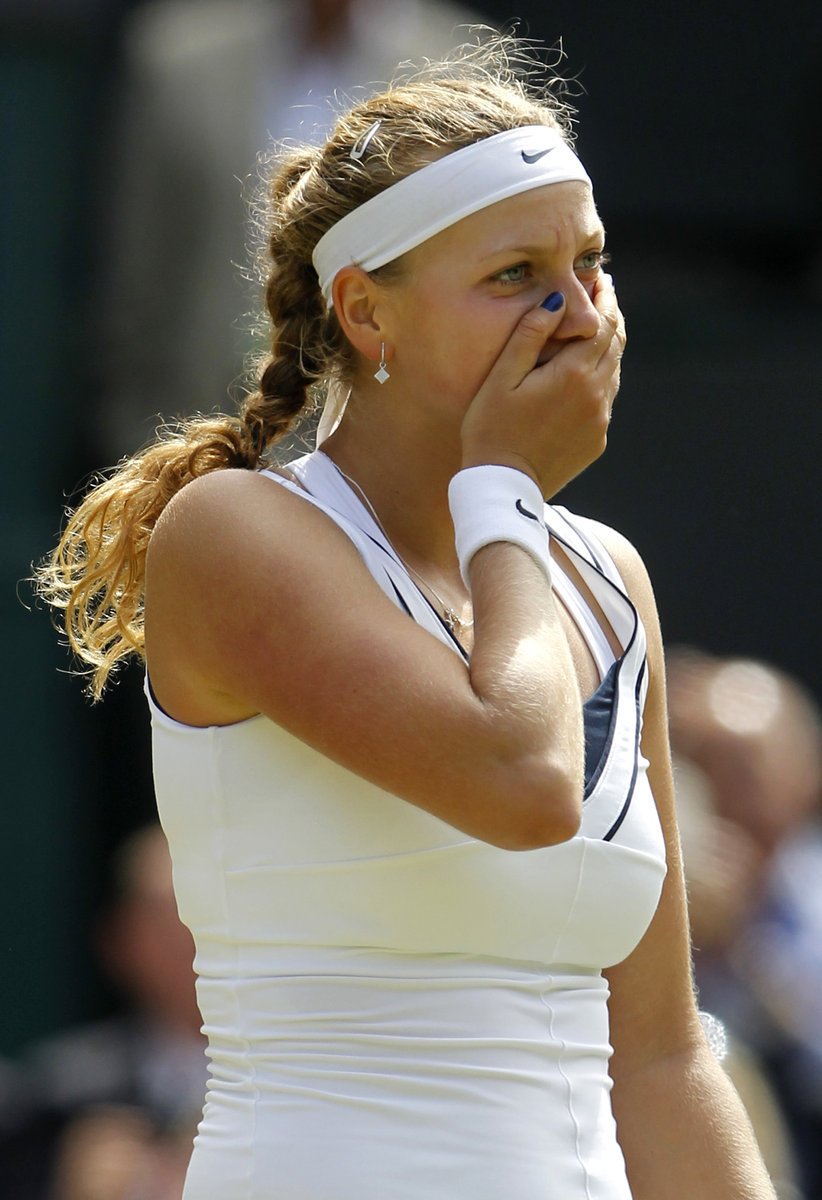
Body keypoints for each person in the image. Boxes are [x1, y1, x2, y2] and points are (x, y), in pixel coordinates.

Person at [36, 36, 777, 1200]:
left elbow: (663, 1054)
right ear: (367, 316)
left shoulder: (608, 578)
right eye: (514, 275)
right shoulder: (235, 536)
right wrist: (503, 492)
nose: (577, 315)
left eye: (592, 264)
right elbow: (523, 781)